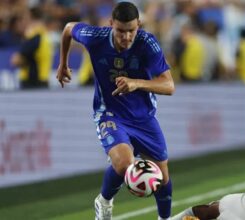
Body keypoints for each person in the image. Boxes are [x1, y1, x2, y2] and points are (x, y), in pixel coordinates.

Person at [56, 2, 175, 220]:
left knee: (162, 179)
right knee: (124, 164)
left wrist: (137, 83)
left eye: (131, 30)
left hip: (143, 117)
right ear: (111, 24)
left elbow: (169, 86)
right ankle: (104, 201)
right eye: (120, 31)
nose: (126, 37)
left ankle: (165, 218)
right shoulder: (95, 37)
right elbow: (68, 29)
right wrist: (63, 63)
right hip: (109, 113)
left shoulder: (147, 43)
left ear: (139, 25)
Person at [10, 7, 53, 89]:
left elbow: (16, 61)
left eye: (24, 18)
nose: (22, 22)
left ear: (30, 18)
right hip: (42, 80)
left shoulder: (34, 37)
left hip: (32, 83)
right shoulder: (45, 34)